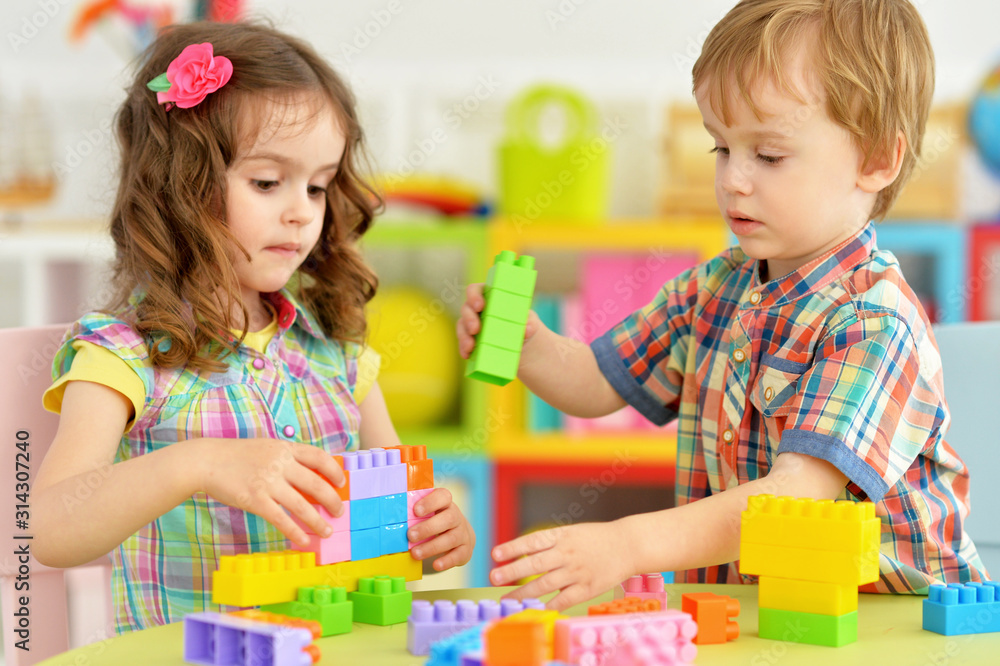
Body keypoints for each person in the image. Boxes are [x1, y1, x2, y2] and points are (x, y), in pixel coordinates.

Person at [458, 0, 988, 611]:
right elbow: (598, 382)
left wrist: (627, 543)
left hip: (893, 625)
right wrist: (532, 347)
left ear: (876, 160)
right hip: (766, 616)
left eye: (768, 155)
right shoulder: (713, 289)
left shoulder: (873, 324)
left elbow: (790, 500)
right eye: (720, 148)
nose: (733, 179)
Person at [33, 22, 474, 633]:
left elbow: (396, 519)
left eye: (318, 186)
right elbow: (50, 527)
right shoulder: (124, 354)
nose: (301, 210)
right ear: (179, 188)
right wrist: (200, 463)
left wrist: (431, 532)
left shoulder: (337, 352)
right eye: (267, 182)